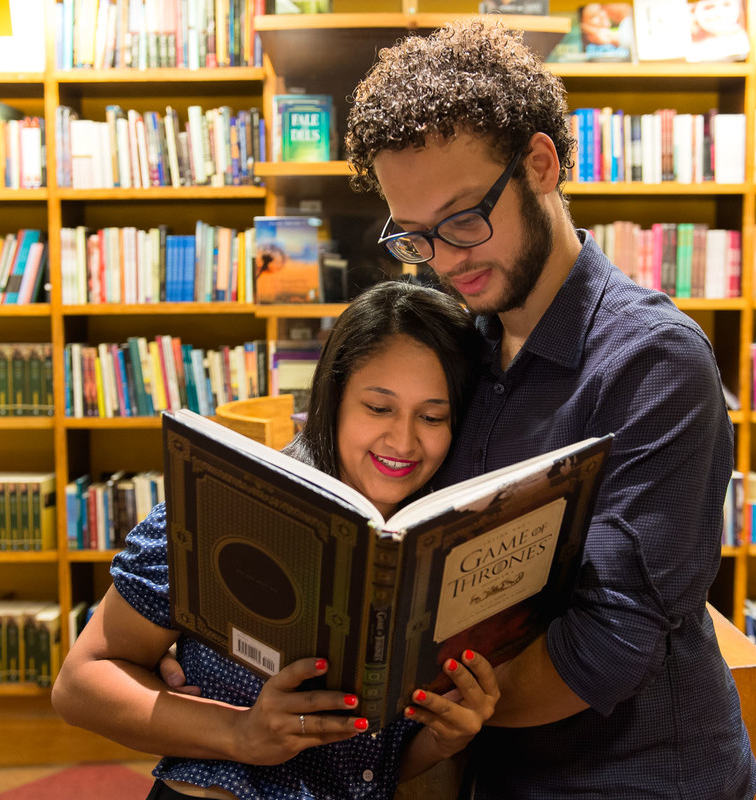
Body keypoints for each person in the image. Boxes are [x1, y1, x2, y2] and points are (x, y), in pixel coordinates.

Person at [343, 19, 756, 799]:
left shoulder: (654, 364)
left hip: (631, 775)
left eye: (464, 218)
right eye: (417, 237)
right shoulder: (460, 345)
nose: (446, 259)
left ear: (541, 163)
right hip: (482, 763)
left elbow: (604, 650)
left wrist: (396, 703)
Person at [52, 281, 498, 800]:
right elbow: (79, 685)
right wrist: (239, 733)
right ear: (334, 398)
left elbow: (368, 769)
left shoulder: (441, 546)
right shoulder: (226, 503)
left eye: (433, 417)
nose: (403, 441)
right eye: (378, 408)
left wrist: (445, 738)